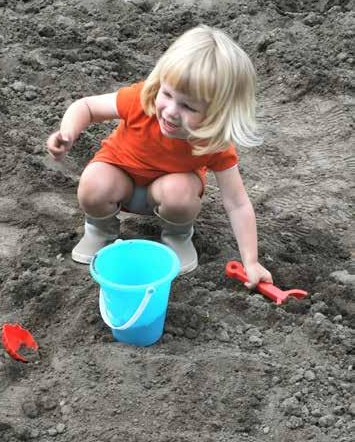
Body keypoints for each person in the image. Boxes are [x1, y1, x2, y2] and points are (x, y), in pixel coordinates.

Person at [46, 25, 272, 288]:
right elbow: (86, 106)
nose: (170, 111)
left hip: (168, 197)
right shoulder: (142, 99)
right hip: (119, 183)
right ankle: (100, 230)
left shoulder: (214, 142)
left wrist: (251, 261)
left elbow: (237, 202)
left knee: (180, 191)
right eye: (167, 94)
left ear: (217, 114)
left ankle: (177, 236)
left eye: (188, 106)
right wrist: (68, 132)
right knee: (94, 182)